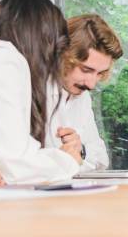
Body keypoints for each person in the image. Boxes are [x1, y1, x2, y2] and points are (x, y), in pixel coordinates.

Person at [0, 0, 80, 186]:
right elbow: (18, 162)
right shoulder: (2, 61)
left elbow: (13, 159)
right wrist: (69, 161)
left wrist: (3, 171)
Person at [46, 14, 123, 172]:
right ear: (62, 55)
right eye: (86, 70)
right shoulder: (32, 91)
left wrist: (81, 150)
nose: (91, 84)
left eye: (100, 73)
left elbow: (102, 160)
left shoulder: (82, 95)